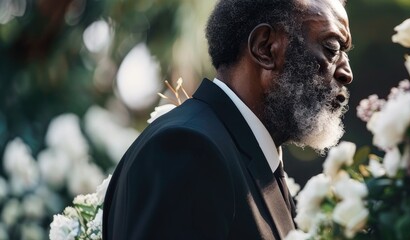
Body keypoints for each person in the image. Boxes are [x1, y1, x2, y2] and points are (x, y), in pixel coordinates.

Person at [102, 0, 353, 238]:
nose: (347, 73)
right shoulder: (189, 149)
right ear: (265, 48)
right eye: (332, 48)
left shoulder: (252, 159)